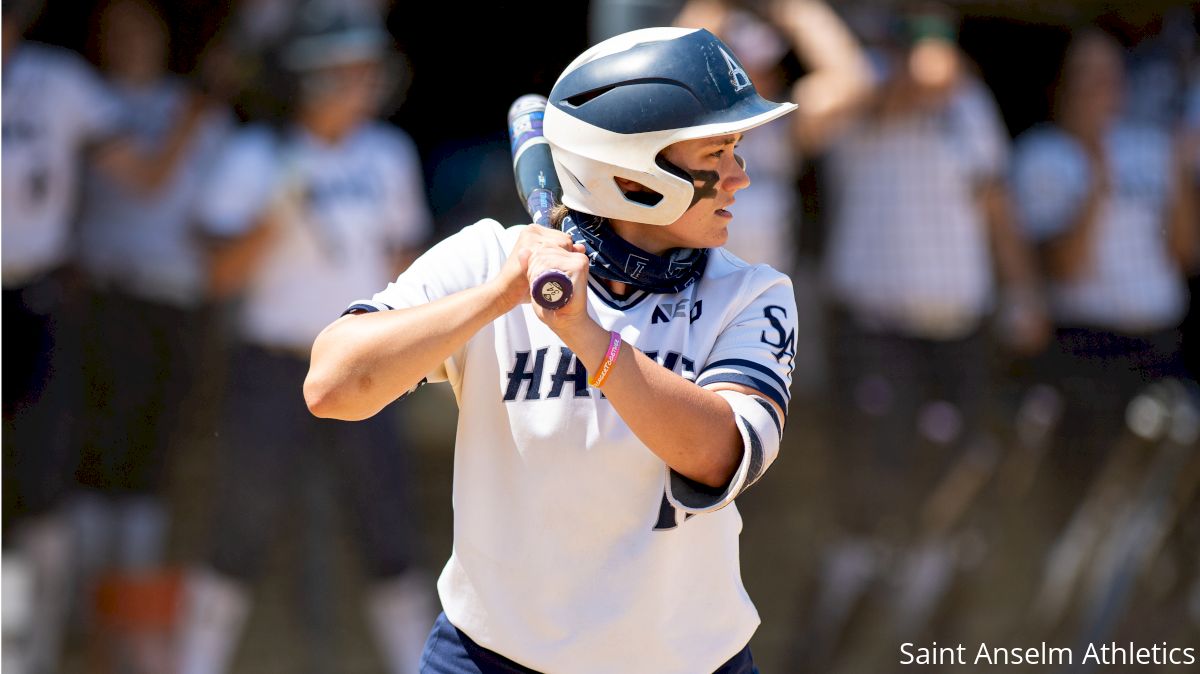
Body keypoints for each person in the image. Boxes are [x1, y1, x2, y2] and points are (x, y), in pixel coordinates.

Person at [306, 27, 798, 673]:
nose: (740, 177)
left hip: (686, 660)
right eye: (717, 152)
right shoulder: (493, 259)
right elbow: (332, 386)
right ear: (635, 169)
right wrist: (497, 297)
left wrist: (588, 337)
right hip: (489, 656)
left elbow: (718, 455)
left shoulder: (752, 293)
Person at [175, 7, 433, 674]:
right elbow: (216, 274)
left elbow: (409, 265)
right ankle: (194, 663)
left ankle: (418, 664)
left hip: (367, 363)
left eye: (367, 72)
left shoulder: (386, 153)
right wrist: (275, 216)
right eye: (345, 73)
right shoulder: (257, 155)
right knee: (241, 523)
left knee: (387, 520)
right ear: (307, 80)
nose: (363, 85)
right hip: (274, 363)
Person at [1011, 29, 1197, 506]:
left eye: (1111, 76)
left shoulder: (1153, 148)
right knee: (1085, 491)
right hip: (1088, 348)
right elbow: (1067, 267)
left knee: (1161, 491)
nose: (1103, 89)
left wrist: (1177, 169)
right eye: (1088, 77)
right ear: (1063, 86)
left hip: (1160, 343)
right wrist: (1097, 171)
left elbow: (1185, 253)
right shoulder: (1042, 154)